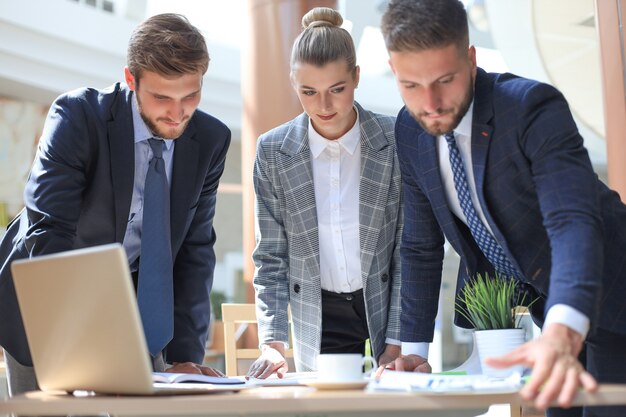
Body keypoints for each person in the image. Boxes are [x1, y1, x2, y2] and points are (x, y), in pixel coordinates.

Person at [379, 0, 626, 416]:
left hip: (615, 292)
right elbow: (421, 248)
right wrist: (414, 353)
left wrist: (565, 332)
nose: (431, 102)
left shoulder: (530, 108)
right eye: (411, 85)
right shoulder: (409, 129)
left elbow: (572, 223)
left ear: (471, 59)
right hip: (553, 309)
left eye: (445, 80)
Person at [0, 13, 231, 397]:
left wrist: (184, 356)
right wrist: (77, 346)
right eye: (161, 97)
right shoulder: (77, 116)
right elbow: (49, 230)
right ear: (130, 79)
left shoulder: (210, 139)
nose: (178, 114)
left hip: (135, 311)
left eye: (190, 96)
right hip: (45, 305)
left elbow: (194, 249)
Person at [247, 7, 402, 378]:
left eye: (337, 89)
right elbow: (271, 258)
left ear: (357, 77)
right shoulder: (272, 152)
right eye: (308, 92)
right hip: (317, 314)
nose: (324, 105)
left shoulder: (396, 141)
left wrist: (400, 340)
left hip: (386, 307)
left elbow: (407, 248)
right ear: (293, 84)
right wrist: (272, 343)